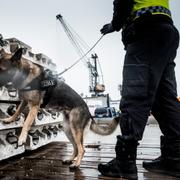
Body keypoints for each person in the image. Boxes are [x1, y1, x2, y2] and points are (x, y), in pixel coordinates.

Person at [98, 0, 180, 179]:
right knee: (165, 99)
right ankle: (174, 159)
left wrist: (115, 24)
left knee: (135, 95)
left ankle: (124, 162)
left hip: (145, 30)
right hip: (166, 31)